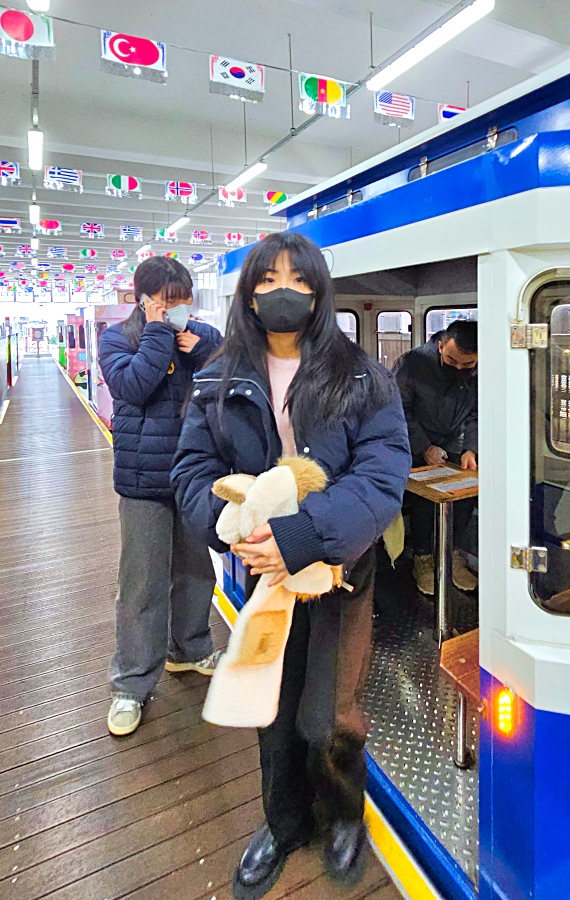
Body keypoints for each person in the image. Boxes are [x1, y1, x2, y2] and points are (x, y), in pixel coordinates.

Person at [173, 232, 411, 899]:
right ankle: (281, 826)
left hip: (340, 570)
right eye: (270, 278)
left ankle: (342, 818)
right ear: (249, 291)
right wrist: (228, 527)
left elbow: (383, 472)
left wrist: (306, 535)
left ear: (319, 290)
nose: (285, 291)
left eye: (300, 280)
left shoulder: (362, 375)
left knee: (332, 713)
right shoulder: (216, 378)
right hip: (261, 577)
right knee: (271, 709)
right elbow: (193, 471)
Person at [97, 256, 224, 737]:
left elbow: (228, 359)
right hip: (144, 480)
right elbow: (133, 386)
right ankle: (131, 684)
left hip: (193, 474)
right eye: (167, 303)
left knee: (195, 569)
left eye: (183, 302)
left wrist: (203, 342)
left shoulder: (195, 335)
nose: (177, 311)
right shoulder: (118, 340)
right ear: (142, 300)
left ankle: (189, 649)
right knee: (142, 584)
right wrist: (157, 334)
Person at [393, 319, 479, 594]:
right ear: (440, 344)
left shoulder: (479, 368)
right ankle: (423, 557)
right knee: (423, 500)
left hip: (456, 438)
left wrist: (471, 448)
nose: (459, 368)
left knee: (465, 495)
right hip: (415, 440)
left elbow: (478, 411)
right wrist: (424, 447)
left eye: (467, 365)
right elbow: (399, 411)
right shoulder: (411, 364)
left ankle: (452, 553)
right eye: (452, 360)